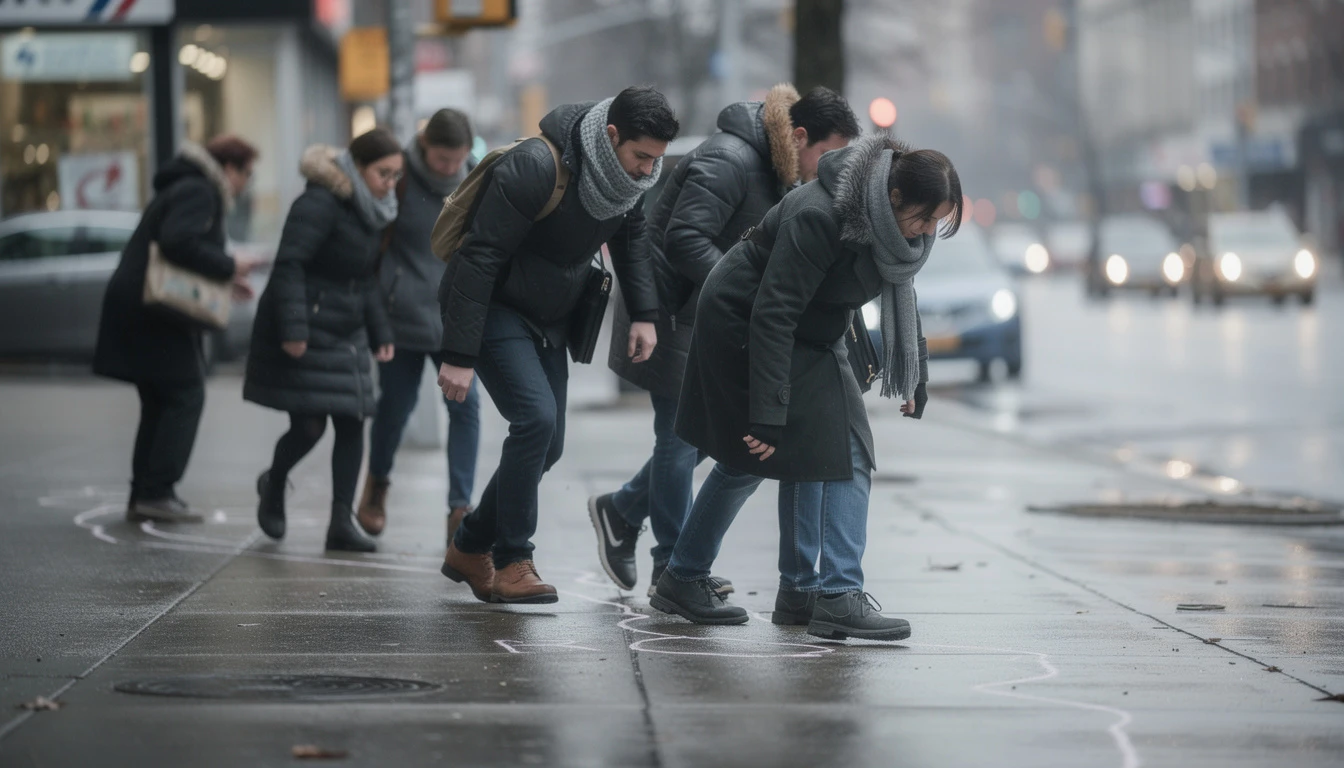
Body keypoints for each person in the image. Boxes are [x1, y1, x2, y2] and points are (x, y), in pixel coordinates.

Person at [652, 135, 963, 641]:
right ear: (895, 197)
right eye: (925, 218)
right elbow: (774, 312)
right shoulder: (821, 215)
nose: (926, 233)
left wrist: (915, 370)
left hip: (814, 331)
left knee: (804, 452)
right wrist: (769, 410)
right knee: (776, 451)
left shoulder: (893, 233)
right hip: (746, 320)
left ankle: (780, 589)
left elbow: (897, 296)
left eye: (937, 224)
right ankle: (836, 594)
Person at [592, 86, 861, 597]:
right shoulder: (731, 157)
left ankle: (624, 509)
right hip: (669, 309)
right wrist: (747, 295)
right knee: (681, 438)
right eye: (828, 155)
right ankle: (671, 566)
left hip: (708, 311)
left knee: (701, 436)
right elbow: (684, 237)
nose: (833, 169)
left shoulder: (780, 166)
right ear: (799, 136)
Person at [436, 87, 676, 604]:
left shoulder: (629, 181)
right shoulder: (535, 166)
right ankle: (511, 559)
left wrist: (646, 317)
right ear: (611, 136)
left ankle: (469, 544)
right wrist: (459, 355)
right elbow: (479, 257)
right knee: (536, 421)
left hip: (552, 315)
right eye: (640, 157)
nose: (646, 171)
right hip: (497, 307)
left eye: (656, 160)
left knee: (550, 443)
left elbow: (632, 242)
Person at [244, 128, 402, 553]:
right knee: (310, 426)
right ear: (357, 166)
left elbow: (365, 278)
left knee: (353, 420)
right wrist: (294, 330)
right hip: (309, 326)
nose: (391, 184)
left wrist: (379, 331)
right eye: (383, 173)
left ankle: (340, 522)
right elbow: (289, 266)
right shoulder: (319, 202)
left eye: (395, 176)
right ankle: (274, 482)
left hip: (347, 330)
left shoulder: (373, 209)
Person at [94, 136, 261, 523]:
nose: (246, 183)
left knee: (160, 400)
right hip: (155, 313)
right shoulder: (200, 190)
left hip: (146, 307)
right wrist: (228, 265)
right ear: (229, 168)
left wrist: (222, 280)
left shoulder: (186, 184)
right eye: (247, 174)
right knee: (186, 393)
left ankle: (146, 492)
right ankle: (156, 492)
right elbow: (177, 242)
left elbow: (179, 248)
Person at [357, 109, 482, 544]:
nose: (449, 168)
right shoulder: (401, 174)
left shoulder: (475, 178)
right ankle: (376, 485)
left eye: (457, 158)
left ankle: (459, 509)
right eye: (442, 159)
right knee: (395, 406)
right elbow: (374, 239)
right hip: (402, 313)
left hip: (456, 317)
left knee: (466, 410)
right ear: (424, 145)